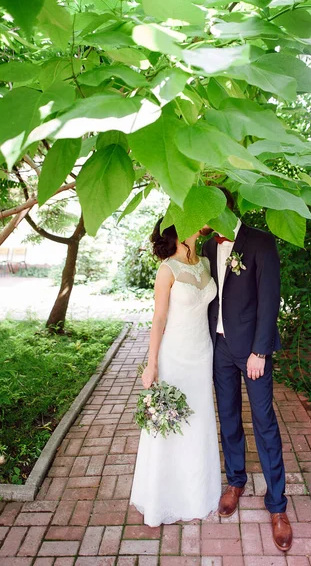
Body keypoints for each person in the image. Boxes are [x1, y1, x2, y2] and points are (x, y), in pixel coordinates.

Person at [201, 188, 293, 552]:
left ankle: (277, 506)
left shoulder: (260, 241)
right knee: (228, 417)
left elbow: (270, 298)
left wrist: (260, 350)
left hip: (252, 351)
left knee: (264, 421)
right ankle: (235, 480)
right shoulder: (209, 246)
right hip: (219, 348)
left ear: (222, 208)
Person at [130, 219, 221, 527]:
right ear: (180, 227)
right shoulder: (167, 269)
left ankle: (197, 493)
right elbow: (158, 319)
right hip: (175, 355)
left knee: (199, 420)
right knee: (172, 423)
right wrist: (152, 363)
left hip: (202, 353)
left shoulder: (206, 260)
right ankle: (163, 497)